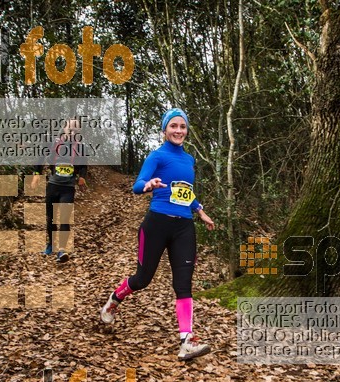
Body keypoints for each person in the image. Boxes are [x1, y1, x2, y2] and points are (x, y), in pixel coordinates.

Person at [100, 108, 216, 361]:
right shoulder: (157, 156)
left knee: (183, 284)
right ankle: (115, 298)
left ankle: (187, 340)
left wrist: (200, 210)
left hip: (184, 227)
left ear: (187, 130)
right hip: (156, 224)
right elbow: (137, 185)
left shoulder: (189, 160)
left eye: (182, 127)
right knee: (143, 279)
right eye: (173, 126)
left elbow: (185, 191)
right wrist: (148, 185)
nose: (178, 131)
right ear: (164, 130)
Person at [31, 118, 87, 262]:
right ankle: (50, 244)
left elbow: (84, 165)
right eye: (71, 127)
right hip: (53, 185)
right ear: (65, 127)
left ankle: (61, 250)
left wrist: (82, 177)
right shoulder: (54, 142)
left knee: (64, 219)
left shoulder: (80, 146)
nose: (73, 129)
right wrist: (37, 174)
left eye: (76, 128)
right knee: (51, 218)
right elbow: (40, 157)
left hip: (68, 188)